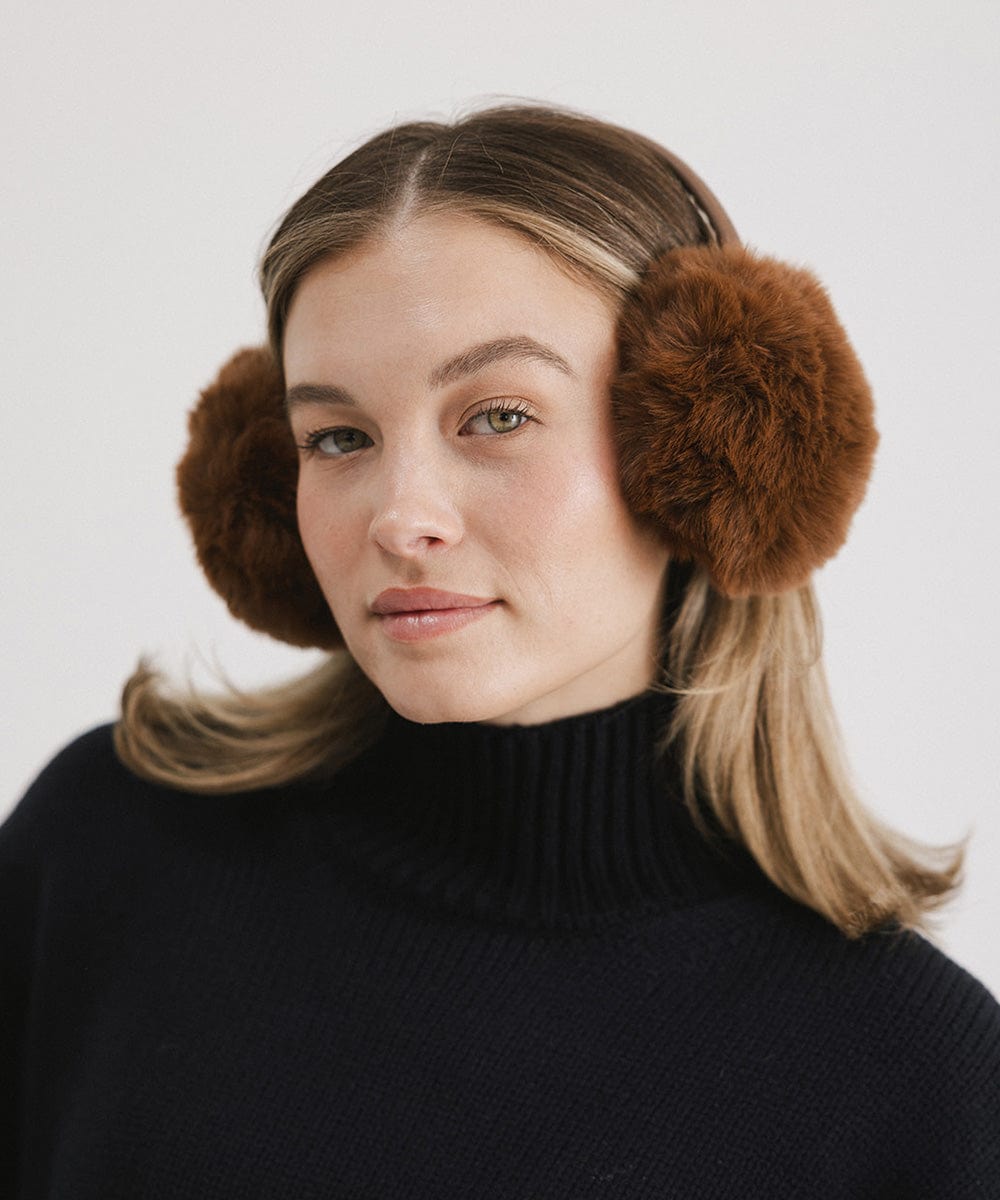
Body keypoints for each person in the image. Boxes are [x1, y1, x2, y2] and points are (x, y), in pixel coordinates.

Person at [2, 104, 998, 1198]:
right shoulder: (105, 852)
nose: (399, 516)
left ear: (710, 446)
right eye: (337, 436)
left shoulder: (918, 1081)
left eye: (497, 415)